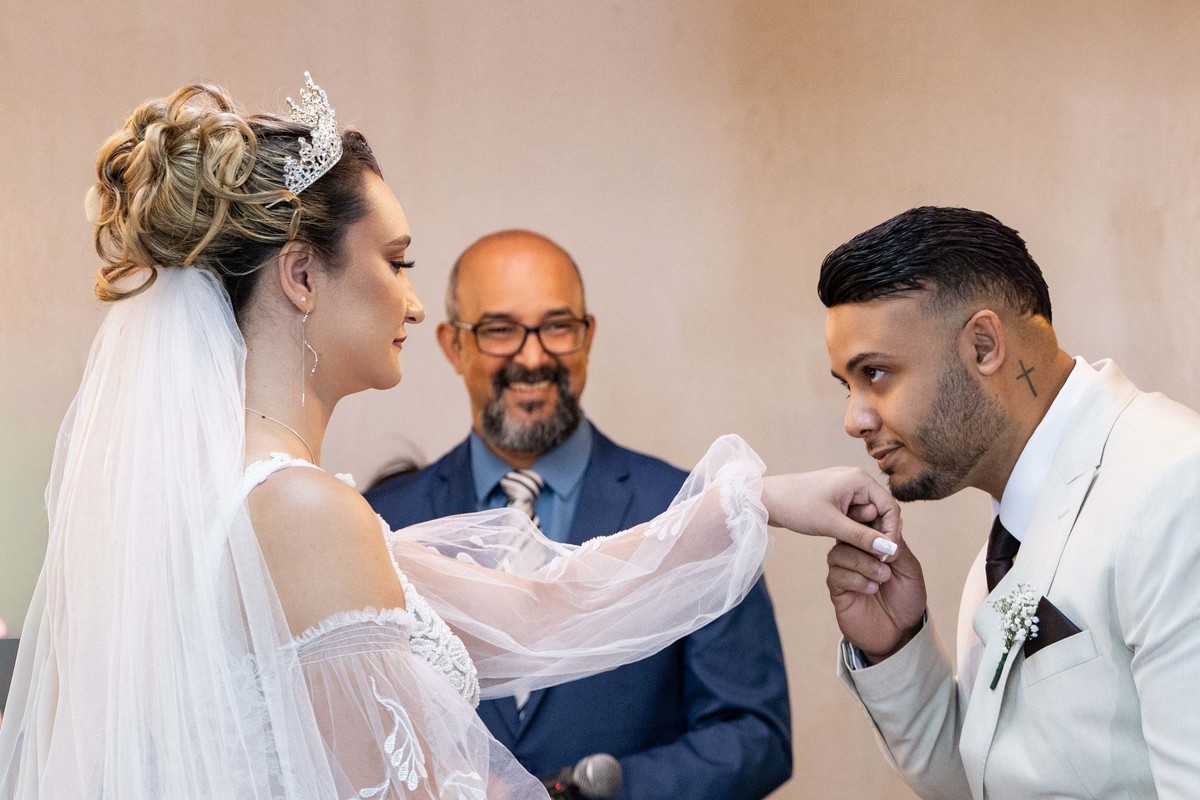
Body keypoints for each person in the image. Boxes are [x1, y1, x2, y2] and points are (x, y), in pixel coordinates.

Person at [0, 74, 902, 799]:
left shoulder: (246, 496)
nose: (412, 302)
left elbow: (538, 610)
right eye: (396, 263)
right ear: (302, 274)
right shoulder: (300, 507)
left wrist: (757, 499)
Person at [365, 230, 792, 798]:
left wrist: (584, 792)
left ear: (588, 336)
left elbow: (755, 737)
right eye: (500, 330)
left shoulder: (692, 509)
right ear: (453, 346)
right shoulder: (383, 522)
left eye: (557, 327)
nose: (533, 357)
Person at [818, 206, 1200, 799]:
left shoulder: (1174, 490)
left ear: (983, 345)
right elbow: (988, 783)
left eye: (876, 373)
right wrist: (894, 645)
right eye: (848, 386)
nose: (855, 419)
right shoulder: (1005, 542)